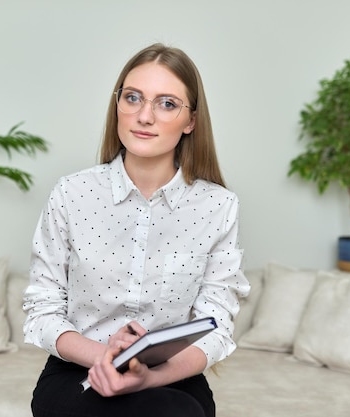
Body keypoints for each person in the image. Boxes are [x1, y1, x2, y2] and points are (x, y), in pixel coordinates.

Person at [23, 43, 250, 417]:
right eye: (133, 98)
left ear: (191, 120)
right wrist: (107, 357)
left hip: (173, 376)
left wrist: (146, 377)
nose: (145, 116)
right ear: (118, 106)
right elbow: (42, 310)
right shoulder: (72, 193)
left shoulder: (219, 206)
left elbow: (215, 326)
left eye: (166, 103)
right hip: (78, 370)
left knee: (179, 409)